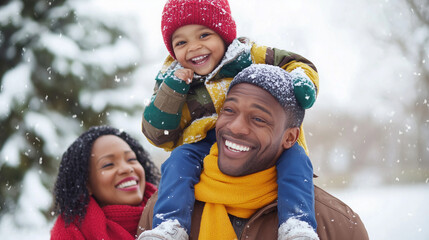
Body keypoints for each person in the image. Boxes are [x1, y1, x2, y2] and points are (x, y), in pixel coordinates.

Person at [141, 0, 320, 239]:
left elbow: (297, 63)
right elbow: (157, 133)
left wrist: (301, 81)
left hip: (261, 140)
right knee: (178, 162)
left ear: (224, 36)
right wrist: (172, 90)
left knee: (296, 160)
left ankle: (297, 223)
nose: (193, 47)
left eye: (204, 35)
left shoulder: (249, 55)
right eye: (181, 42)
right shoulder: (172, 78)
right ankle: (171, 224)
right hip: (201, 144)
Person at [138, 64, 369, 240]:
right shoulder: (164, 214)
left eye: (258, 119)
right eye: (229, 110)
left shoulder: (336, 223)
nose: (236, 127)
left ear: (290, 137)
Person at [50, 125, 161, 240]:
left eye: (131, 159)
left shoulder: (172, 209)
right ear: (87, 184)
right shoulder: (69, 231)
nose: (127, 168)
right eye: (108, 164)